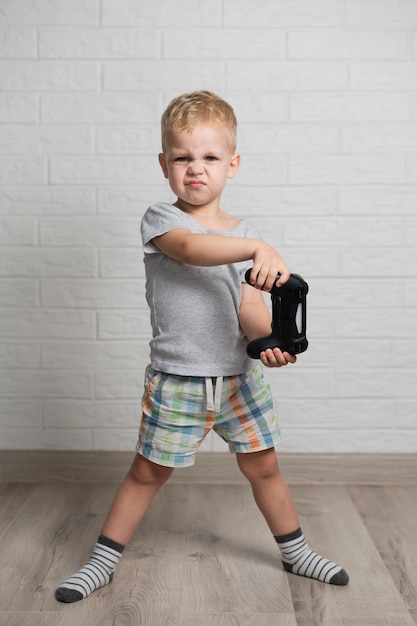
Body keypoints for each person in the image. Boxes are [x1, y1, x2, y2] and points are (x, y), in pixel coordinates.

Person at [55, 90, 348, 603]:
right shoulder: (163, 221)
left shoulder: (246, 234)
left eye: (210, 157)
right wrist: (259, 248)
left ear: (231, 165)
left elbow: (250, 309)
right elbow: (193, 251)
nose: (196, 169)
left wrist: (266, 345)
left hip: (238, 379)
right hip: (179, 378)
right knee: (148, 471)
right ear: (164, 164)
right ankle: (102, 561)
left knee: (265, 465)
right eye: (183, 158)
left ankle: (295, 550)